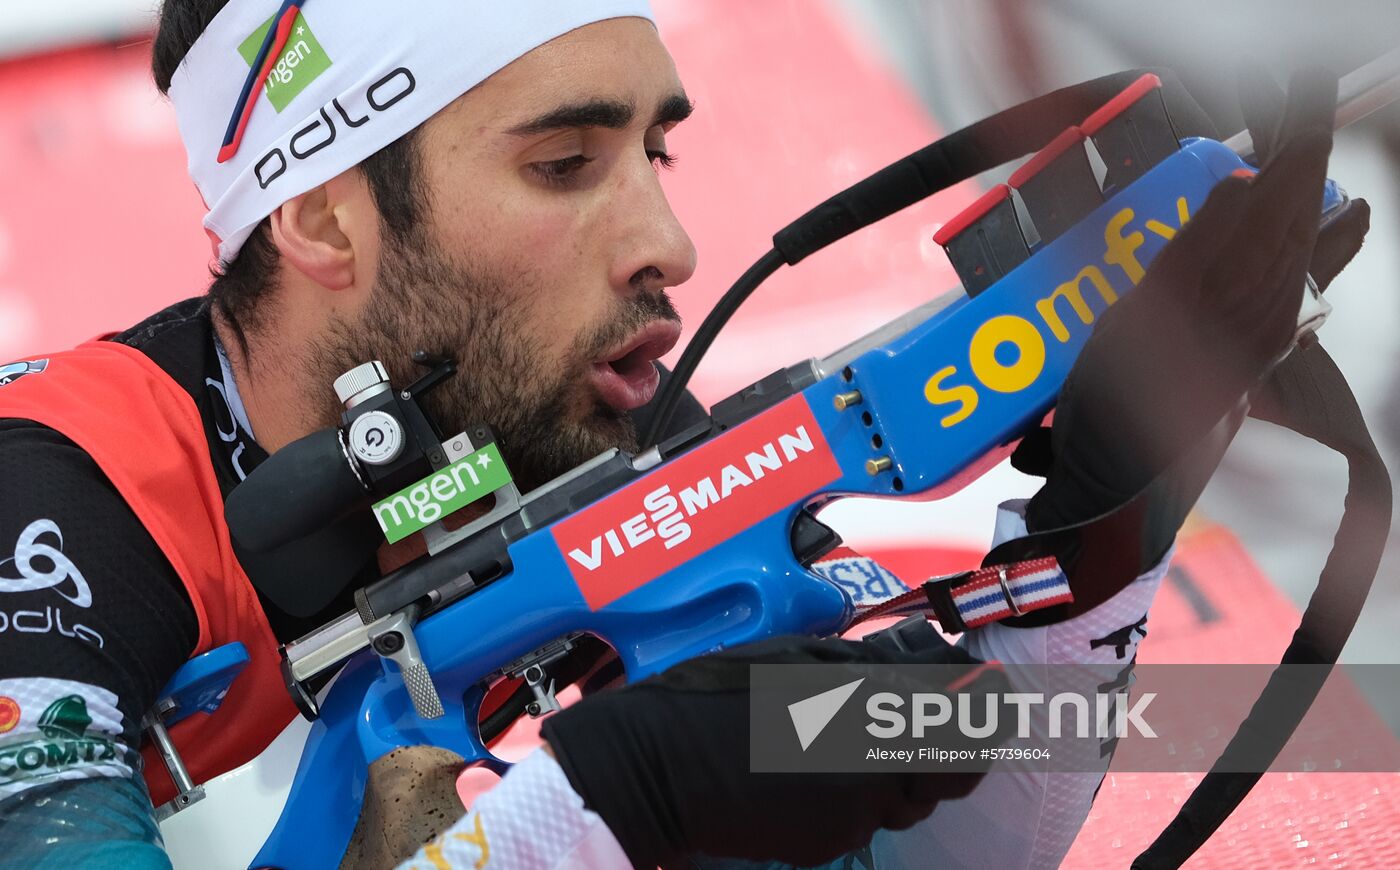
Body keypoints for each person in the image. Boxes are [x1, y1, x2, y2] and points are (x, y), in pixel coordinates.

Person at [0, 0, 1368, 867]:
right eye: (562, 165)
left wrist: (1086, 571)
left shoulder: (585, 414)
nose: (671, 243)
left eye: (654, 151)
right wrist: (583, 815)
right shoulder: (48, 501)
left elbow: (946, 832)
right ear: (321, 222)